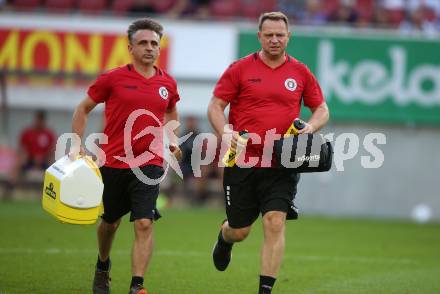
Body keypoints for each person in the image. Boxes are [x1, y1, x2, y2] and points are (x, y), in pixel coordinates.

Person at [207, 12, 329, 294]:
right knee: (240, 230)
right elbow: (215, 105)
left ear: (288, 37)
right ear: (259, 36)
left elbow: (322, 109)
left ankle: (265, 290)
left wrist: (310, 126)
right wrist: (226, 133)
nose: (275, 39)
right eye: (269, 34)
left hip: (283, 162)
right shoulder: (239, 69)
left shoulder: (300, 72)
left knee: (275, 222)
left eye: (280, 35)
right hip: (242, 161)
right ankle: (225, 239)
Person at [71, 18, 182, 294]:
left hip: (149, 163)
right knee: (110, 222)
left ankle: (137, 286)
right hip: (112, 161)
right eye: (143, 43)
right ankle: (103, 266)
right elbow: (83, 108)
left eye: (154, 43)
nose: (149, 48)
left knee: (144, 222)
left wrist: (172, 139)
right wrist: (76, 143)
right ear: (130, 47)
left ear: (160, 48)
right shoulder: (113, 78)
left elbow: (171, 111)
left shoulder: (167, 82)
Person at [2, 110, 55, 199]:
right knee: (17, 165)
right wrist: (24, 157)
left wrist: (44, 158)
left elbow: (52, 150)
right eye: (38, 120)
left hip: (43, 161)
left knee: (53, 170)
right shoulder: (28, 133)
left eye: (41, 120)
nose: (39, 122)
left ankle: (49, 193)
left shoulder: (49, 134)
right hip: (29, 159)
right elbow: (21, 148)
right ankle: (9, 188)